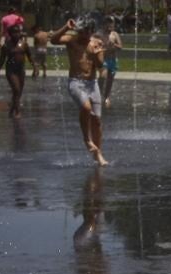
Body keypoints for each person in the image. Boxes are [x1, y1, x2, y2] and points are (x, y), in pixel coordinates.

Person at [53, 17, 109, 166]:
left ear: (91, 31)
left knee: (96, 120)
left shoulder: (96, 43)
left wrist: (97, 54)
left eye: (86, 32)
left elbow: (99, 65)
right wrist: (66, 27)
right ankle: (86, 139)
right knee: (86, 108)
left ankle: (98, 154)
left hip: (92, 84)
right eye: (81, 31)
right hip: (76, 82)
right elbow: (53, 40)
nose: (83, 34)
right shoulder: (72, 39)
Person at [0, 22, 30, 118]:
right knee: (17, 90)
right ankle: (18, 112)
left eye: (18, 32)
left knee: (18, 92)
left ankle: (12, 110)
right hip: (11, 71)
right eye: (14, 32)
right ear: (10, 34)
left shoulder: (24, 44)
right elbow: (1, 60)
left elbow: (30, 56)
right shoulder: (6, 46)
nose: (16, 34)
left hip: (21, 70)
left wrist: (35, 67)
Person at [99, 17, 122, 108]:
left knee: (110, 80)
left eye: (111, 24)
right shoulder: (100, 34)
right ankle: (98, 94)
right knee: (102, 77)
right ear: (104, 24)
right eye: (107, 24)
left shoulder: (115, 34)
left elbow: (120, 47)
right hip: (104, 59)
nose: (109, 26)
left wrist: (114, 44)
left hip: (113, 60)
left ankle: (106, 97)